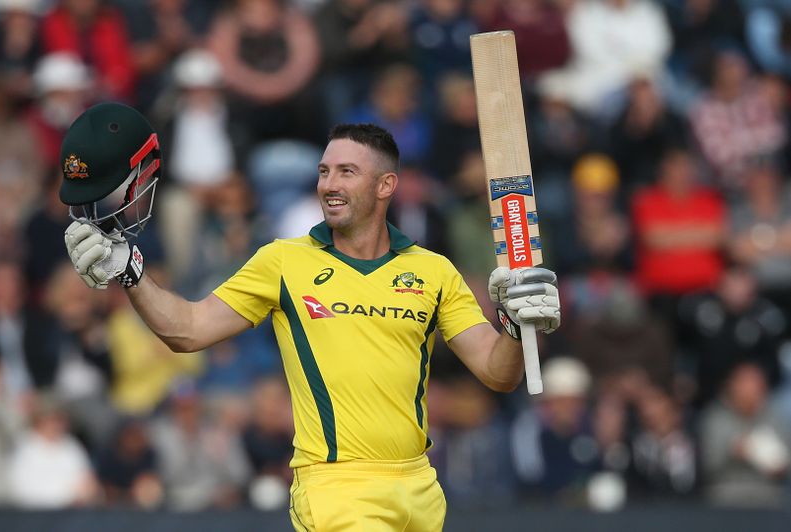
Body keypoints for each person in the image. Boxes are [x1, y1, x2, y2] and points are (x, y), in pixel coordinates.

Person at [60, 103, 561, 530]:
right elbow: (187, 331)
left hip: (419, 488)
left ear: (387, 185)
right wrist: (131, 273)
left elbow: (498, 373)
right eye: (324, 172)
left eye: (347, 172)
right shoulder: (283, 261)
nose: (329, 184)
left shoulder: (433, 271)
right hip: (334, 488)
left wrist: (517, 328)